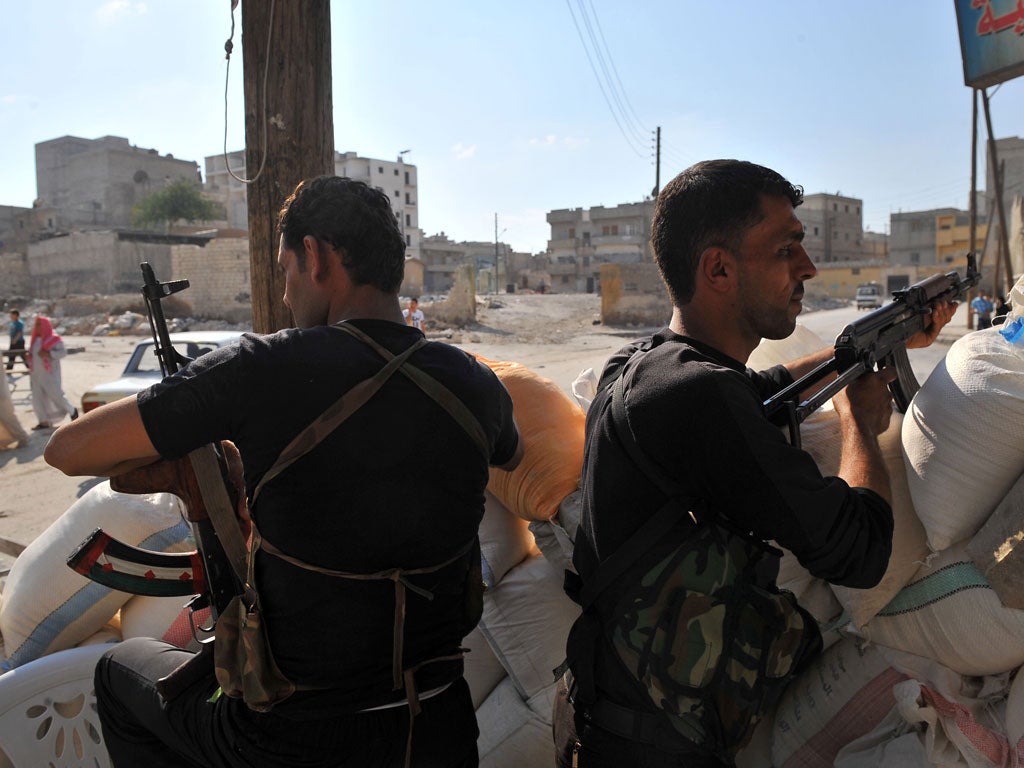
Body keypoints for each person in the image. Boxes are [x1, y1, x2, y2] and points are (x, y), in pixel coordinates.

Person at [45, 176, 522, 768]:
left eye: (286, 269)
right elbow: (508, 454)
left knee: (118, 673)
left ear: (316, 256)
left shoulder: (265, 368)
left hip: (295, 738)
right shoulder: (475, 382)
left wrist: (188, 436)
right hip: (440, 727)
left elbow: (67, 451)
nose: (289, 295)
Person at [553, 160, 955, 767]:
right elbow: (862, 551)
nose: (808, 268)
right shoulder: (696, 397)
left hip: (626, 724)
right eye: (786, 249)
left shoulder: (649, 365)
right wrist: (858, 421)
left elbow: (759, 392)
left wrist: (861, 348)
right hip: (651, 749)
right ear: (718, 268)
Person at [27, 315, 77, 429]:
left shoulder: (53, 339)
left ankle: (72, 410)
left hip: (49, 374)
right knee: (37, 398)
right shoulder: (35, 340)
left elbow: (62, 353)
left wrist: (49, 354)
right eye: (36, 325)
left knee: (56, 395)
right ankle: (43, 421)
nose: (38, 327)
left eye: (40, 324)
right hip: (36, 374)